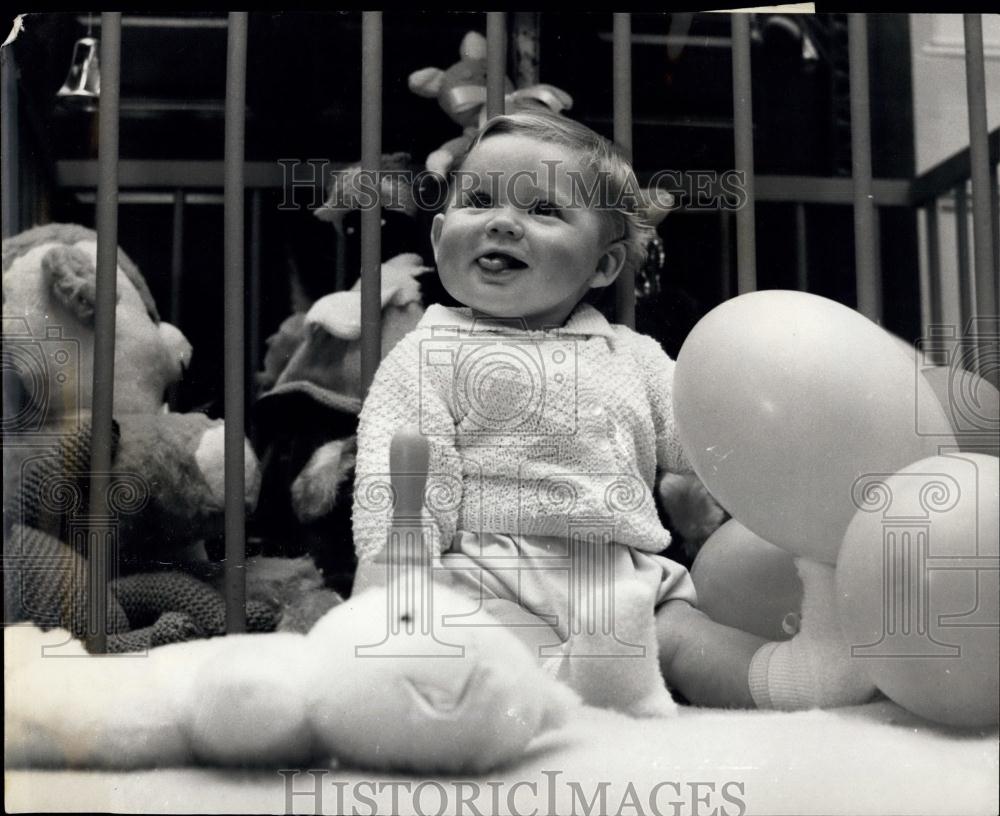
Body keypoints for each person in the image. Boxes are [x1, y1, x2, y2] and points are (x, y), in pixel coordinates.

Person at [352, 111, 875, 714]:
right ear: (440, 236)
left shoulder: (632, 356)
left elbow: (709, 440)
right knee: (481, 639)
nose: (502, 222)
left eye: (543, 211)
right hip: (487, 572)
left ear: (603, 266)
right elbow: (406, 467)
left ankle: (801, 679)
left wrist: (791, 462)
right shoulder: (429, 351)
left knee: (684, 636)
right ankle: (584, 684)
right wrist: (396, 565)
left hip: (621, 575)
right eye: (478, 200)